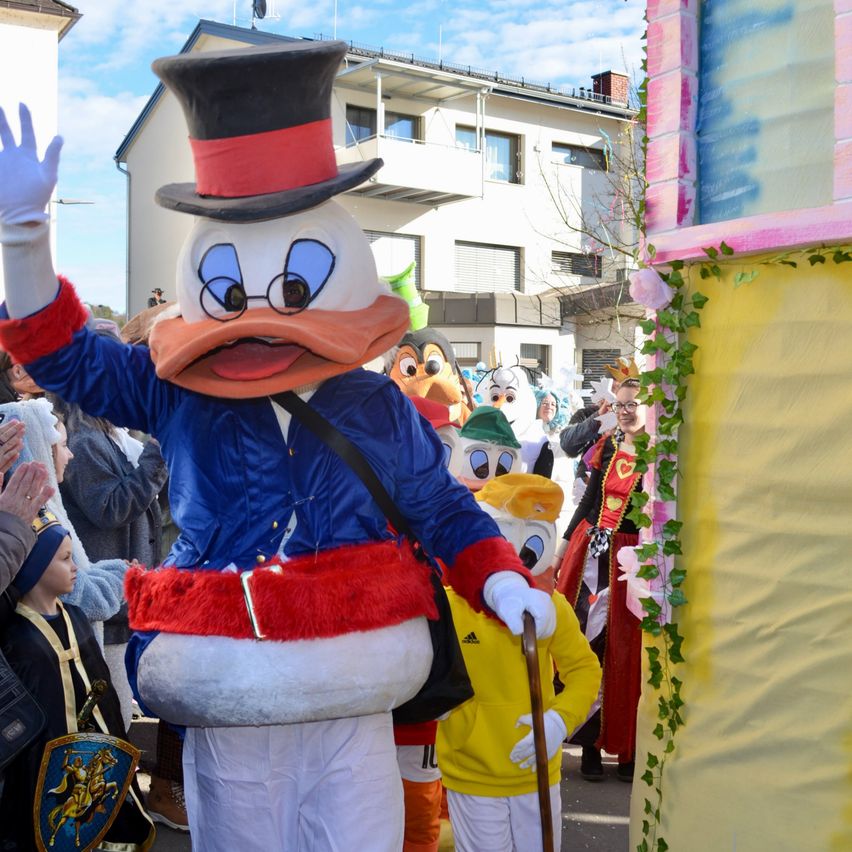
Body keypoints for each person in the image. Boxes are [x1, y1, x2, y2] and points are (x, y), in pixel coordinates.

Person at [0, 47, 554, 851]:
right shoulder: (176, 390)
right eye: (232, 287)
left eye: (294, 284)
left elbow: (439, 507)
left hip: (354, 687)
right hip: (229, 683)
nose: (263, 310)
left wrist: (500, 579)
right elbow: (70, 361)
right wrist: (24, 240)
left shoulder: (374, 403)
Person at [437, 474, 601, 852]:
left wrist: (560, 720)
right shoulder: (450, 605)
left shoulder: (551, 606)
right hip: (472, 774)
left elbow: (584, 670)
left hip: (537, 770)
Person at [0, 511, 155, 850]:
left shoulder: (76, 617)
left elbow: (104, 691)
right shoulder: (16, 635)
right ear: (36, 566)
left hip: (95, 750)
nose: (75, 568)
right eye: (65, 559)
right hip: (38, 764)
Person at [554, 377, 645, 781]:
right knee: (590, 645)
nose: (624, 411)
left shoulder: (662, 454)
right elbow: (590, 501)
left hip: (633, 563)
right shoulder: (607, 446)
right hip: (593, 558)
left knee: (628, 655)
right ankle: (589, 745)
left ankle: (627, 747)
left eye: (633, 404)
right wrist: (560, 552)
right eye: (620, 404)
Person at [1, 400, 127, 630]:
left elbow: (77, 571)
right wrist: (125, 575)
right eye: (64, 445)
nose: (70, 455)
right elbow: (79, 598)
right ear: (41, 451)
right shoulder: (35, 520)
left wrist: (114, 569)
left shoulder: (30, 514)